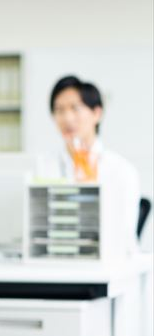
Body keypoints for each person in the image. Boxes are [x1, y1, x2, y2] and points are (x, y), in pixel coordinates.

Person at [41, 75, 140, 255]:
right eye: (59, 110)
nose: (67, 118)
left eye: (75, 108)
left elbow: (125, 236)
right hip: (58, 259)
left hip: (110, 260)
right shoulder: (44, 167)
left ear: (96, 113)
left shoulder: (121, 170)